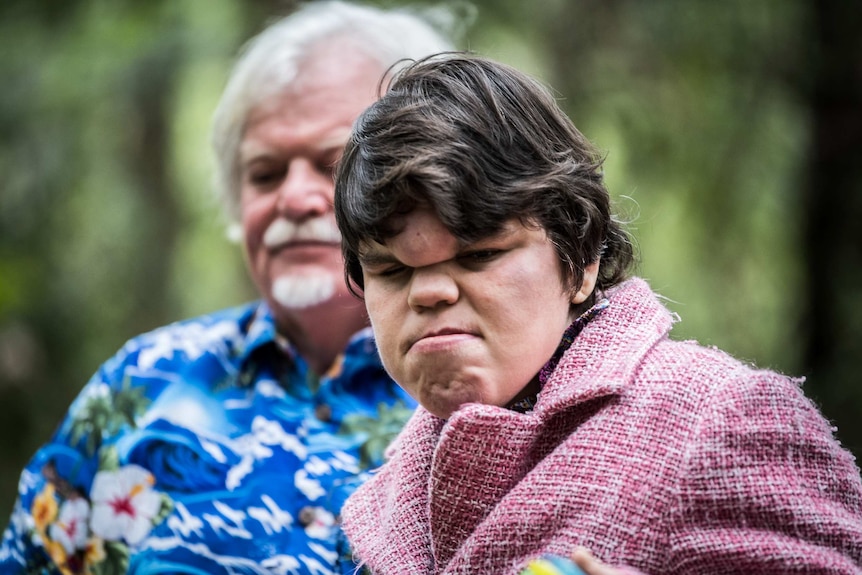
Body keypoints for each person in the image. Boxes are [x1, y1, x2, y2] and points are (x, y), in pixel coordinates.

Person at [333, 54, 862, 574]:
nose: (428, 293)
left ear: (580, 260)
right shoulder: (383, 492)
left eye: (480, 255)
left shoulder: (718, 417)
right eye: (391, 271)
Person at [0, 3, 455, 574]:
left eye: (333, 165)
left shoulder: (494, 381)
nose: (293, 199)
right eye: (264, 173)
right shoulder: (140, 385)